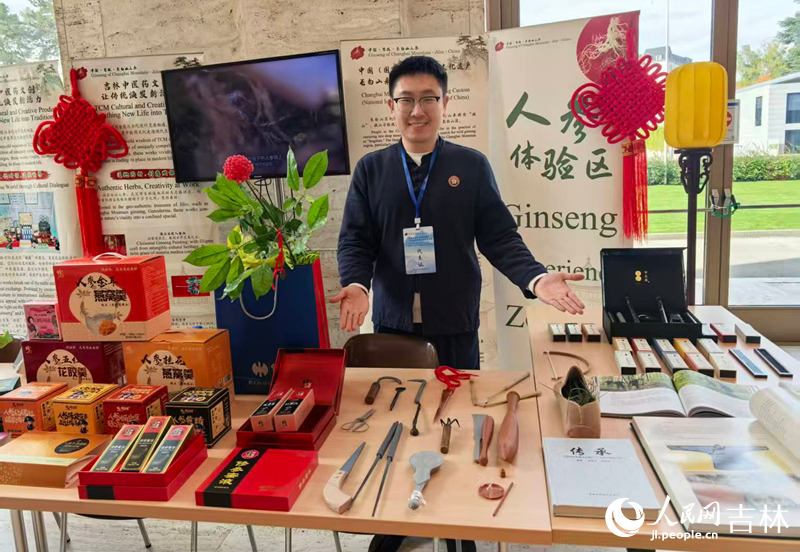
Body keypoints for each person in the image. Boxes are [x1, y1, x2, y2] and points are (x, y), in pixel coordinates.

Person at [331, 56, 586, 552]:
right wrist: (358, 285)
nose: (417, 110)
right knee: (403, 425)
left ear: (445, 103)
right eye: (406, 99)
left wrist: (535, 278)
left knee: (455, 423)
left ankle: (459, 527)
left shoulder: (469, 167)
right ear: (391, 105)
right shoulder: (373, 169)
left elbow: (499, 237)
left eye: (429, 98)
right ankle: (397, 521)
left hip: (455, 319)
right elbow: (355, 240)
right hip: (394, 325)